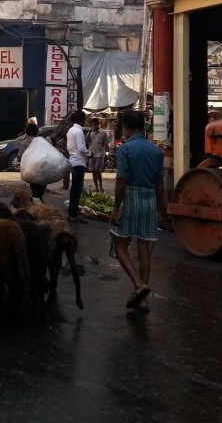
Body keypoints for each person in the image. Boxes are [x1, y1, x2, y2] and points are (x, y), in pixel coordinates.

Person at [109, 110, 164, 312]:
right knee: (144, 249)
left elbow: (122, 180)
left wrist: (116, 209)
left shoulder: (126, 149)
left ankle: (139, 285)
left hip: (131, 197)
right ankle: (143, 300)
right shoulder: (156, 151)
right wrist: (159, 209)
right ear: (143, 126)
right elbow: (160, 183)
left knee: (120, 245)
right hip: (150, 199)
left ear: (127, 128)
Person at [66, 110, 90, 224]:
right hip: (79, 162)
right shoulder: (79, 131)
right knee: (77, 189)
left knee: (74, 188)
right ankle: (73, 214)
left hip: (73, 161)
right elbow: (81, 148)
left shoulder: (71, 130)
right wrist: (90, 153)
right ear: (82, 120)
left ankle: (72, 211)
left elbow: (69, 147)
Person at [86, 118, 109, 193]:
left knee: (97, 169)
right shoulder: (90, 133)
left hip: (99, 154)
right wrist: (88, 134)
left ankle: (101, 185)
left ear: (98, 124)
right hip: (91, 153)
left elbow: (106, 144)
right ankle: (96, 187)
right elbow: (86, 142)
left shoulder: (103, 132)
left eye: (94, 124)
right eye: (92, 125)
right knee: (93, 171)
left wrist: (107, 154)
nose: (93, 126)